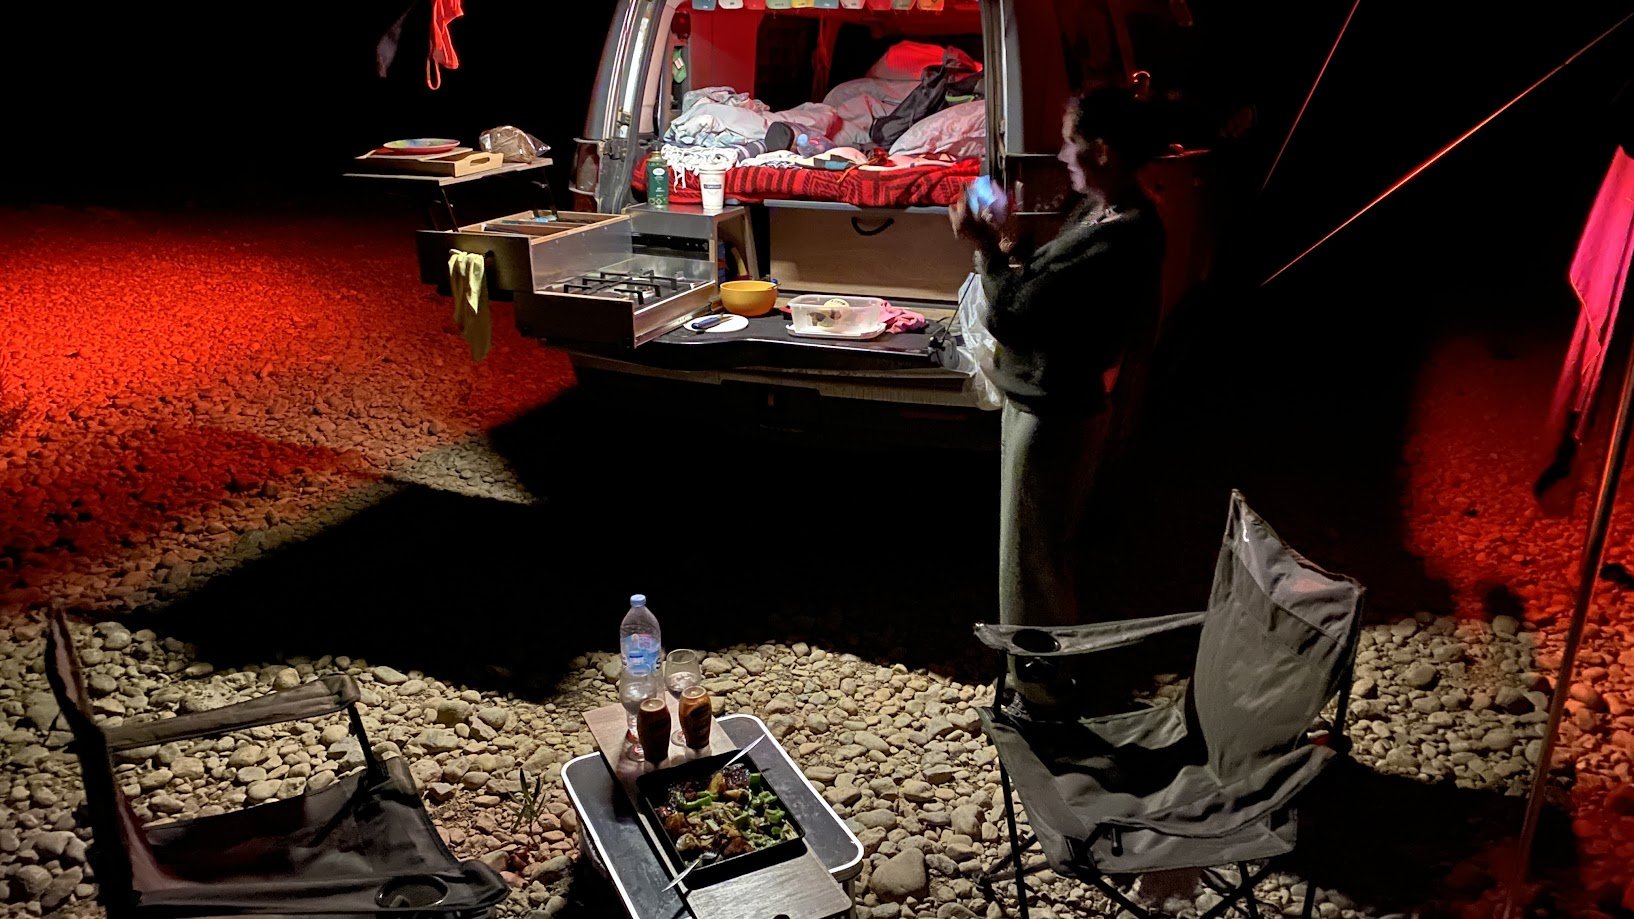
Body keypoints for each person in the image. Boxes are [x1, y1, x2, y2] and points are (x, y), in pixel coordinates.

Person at [951, 83, 1169, 628]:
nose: (1063, 154)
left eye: (1071, 141)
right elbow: (1046, 293)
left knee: (1033, 563)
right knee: (1028, 553)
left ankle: (1041, 676)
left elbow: (1013, 316)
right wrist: (1011, 245)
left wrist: (984, 247)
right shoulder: (1098, 212)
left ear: (1104, 150)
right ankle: (1034, 668)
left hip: (1056, 411)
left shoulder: (1123, 232)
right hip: (1041, 399)